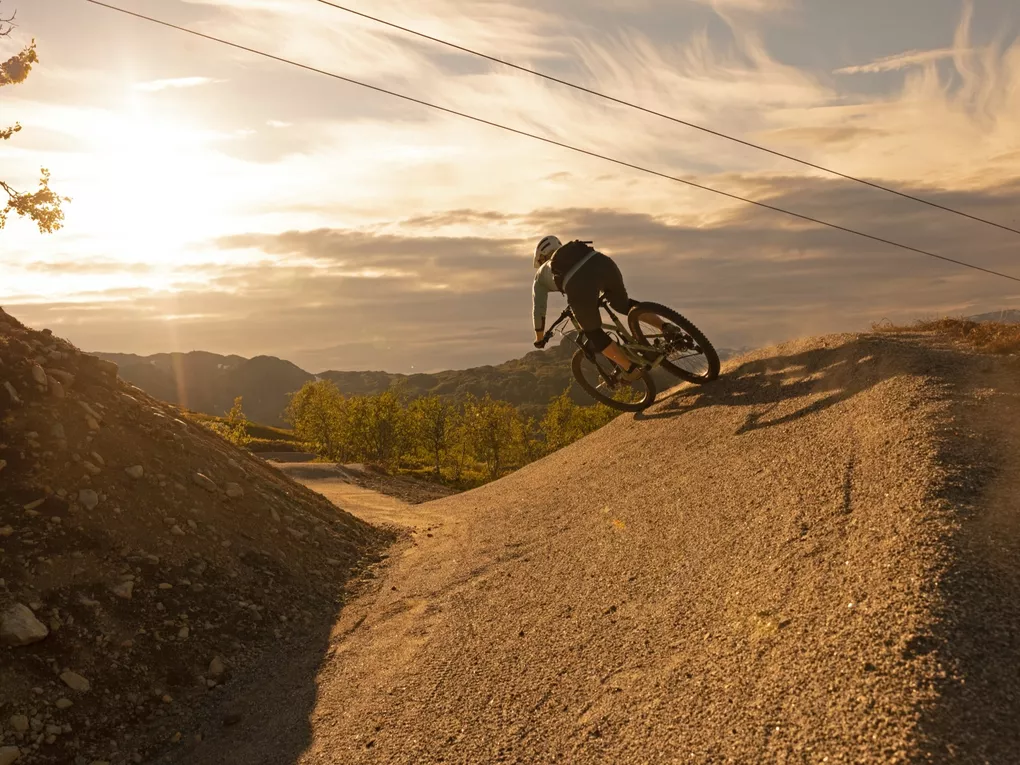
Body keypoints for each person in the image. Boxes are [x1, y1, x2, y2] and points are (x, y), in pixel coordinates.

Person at [531, 235, 674, 381]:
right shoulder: (574, 250)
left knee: (593, 332)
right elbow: (589, 271)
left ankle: (630, 369)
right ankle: (666, 327)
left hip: (577, 284)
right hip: (603, 262)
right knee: (622, 304)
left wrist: (539, 338)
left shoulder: (540, 274)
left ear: (542, 258)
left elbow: (539, 308)